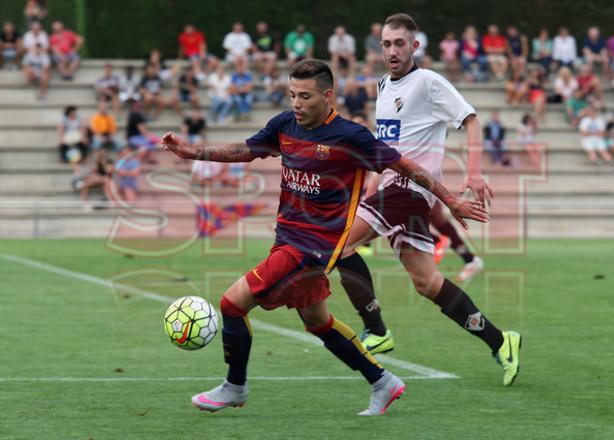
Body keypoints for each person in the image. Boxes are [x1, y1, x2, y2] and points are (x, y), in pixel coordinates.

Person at [161, 59, 489, 416]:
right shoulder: (285, 125)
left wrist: (450, 198)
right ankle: (382, 382)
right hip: (287, 238)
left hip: (312, 249)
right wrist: (194, 152)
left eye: (305, 96)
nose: (296, 104)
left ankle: (235, 387)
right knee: (318, 323)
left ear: (328, 97)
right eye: (292, 95)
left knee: (231, 305)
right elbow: (247, 150)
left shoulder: (351, 137)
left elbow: (405, 165)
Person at [333, 14, 520, 387]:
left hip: (410, 190)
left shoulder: (430, 82)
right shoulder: (384, 84)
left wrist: (474, 172)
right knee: (428, 282)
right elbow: (387, 145)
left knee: (339, 243)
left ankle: (375, 328)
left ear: (414, 46)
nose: (392, 51)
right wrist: (371, 178)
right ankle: (501, 340)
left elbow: (470, 120)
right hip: (395, 190)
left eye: (399, 43)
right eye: (386, 44)